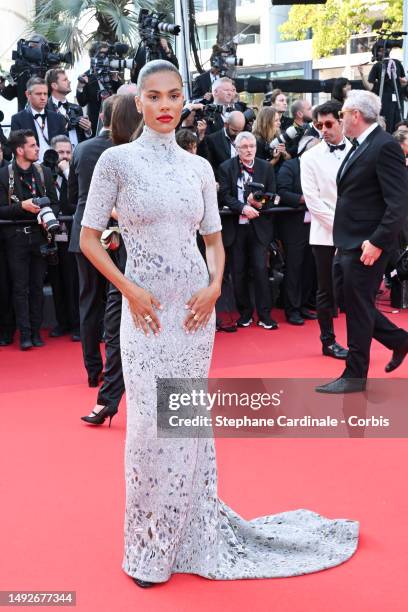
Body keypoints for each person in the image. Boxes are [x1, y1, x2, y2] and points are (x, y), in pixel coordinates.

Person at [80, 59, 358, 586]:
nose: (165, 105)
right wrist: (130, 289)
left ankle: (190, 532)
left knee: (185, 425)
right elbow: (90, 239)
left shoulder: (199, 168)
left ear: (184, 100)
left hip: (193, 312)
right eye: (154, 96)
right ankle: (149, 547)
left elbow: (212, 239)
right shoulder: (115, 163)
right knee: (146, 429)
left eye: (174, 95)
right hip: (143, 313)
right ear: (138, 102)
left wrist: (213, 287)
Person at [316, 90, 408, 394]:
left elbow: (398, 203)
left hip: (367, 244)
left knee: (357, 307)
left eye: (343, 114)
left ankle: (355, 376)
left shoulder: (384, 147)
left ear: (355, 115)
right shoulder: (361, 145)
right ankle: (399, 340)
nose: (341, 118)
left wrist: (378, 242)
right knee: (350, 300)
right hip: (349, 241)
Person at [81, 95, 142, 427]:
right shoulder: (113, 159)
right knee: (114, 328)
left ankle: (172, 406)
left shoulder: (172, 160)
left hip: (167, 265)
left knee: (170, 340)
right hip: (125, 262)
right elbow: (95, 219)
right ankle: (108, 399)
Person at [68, 96, 116, 386]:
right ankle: (114, 369)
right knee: (116, 301)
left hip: (83, 233)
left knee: (88, 303)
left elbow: (73, 196)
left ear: (100, 117)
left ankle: (91, 371)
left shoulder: (82, 149)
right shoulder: (124, 149)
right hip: (115, 235)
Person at [300, 100, 351, 359]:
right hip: (325, 234)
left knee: (356, 290)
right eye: (318, 125)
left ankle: (358, 338)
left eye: (328, 124)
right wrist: (342, 228)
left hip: (357, 234)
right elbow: (313, 201)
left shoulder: (359, 150)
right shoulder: (309, 158)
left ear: (341, 121)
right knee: (326, 291)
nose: (324, 130)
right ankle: (328, 341)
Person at [0, 129, 58, 350]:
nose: (37, 148)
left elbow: (55, 202)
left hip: (40, 236)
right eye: (33, 145)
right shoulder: (4, 174)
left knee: (36, 286)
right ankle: (24, 334)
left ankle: (35, 332)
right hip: (15, 239)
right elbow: (1, 210)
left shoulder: (43, 172)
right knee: (20, 287)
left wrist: (46, 213)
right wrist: (20, 207)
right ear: (19, 150)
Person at [218, 131, 277, 330]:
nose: (249, 150)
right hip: (235, 228)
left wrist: (258, 203)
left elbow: (272, 195)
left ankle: (265, 315)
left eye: (252, 146)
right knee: (239, 272)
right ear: (236, 148)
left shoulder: (266, 167)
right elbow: (225, 196)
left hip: (259, 228)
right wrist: (243, 207)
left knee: (261, 270)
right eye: (244, 147)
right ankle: (244, 314)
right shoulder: (226, 168)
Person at [277, 137, 318, 326]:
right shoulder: (290, 167)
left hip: (314, 224)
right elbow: (282, 192)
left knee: (309, 267)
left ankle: (302, 304)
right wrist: (304, 199)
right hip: (293, 226)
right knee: (294, 267)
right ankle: (291, 308)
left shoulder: (319, 168)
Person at [46, 135, 80, 341]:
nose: (64, 157)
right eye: (60, 153)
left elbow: (77, 200)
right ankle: (62, 323)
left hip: (71, 234)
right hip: (51, 235)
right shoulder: (44, 172)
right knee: (56, 280)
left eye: (68, 152)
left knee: (73, 281)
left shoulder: (75, 174)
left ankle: (77, 325)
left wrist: (68, 172)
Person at [10, 77, 67, 162]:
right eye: (38, 94)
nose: (43, 98)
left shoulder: (58, 118)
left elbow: (64, 146)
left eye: (45, 94)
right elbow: (17, 149)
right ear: (28, 95)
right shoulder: (17, 119)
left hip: (56, 166)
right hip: (30, 167)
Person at [76, 42, 122, 136]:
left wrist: (115, 79)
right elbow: (82, 102)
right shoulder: (87, 76)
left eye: (107, 54)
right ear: (93, 56)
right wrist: (80, 86)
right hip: (95, 122)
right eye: (102, 53)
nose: (105, 56)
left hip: (115, 121)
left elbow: (121, 95)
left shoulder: (112, 73)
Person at [45, 69, 92, 148]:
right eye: (65, 80)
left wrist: (87, 130)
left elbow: (83, 140)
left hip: (76, 157)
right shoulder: (44, 109)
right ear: (54, 85)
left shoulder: (77, 108)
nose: (69, 82)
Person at [204, 110, 245, 179]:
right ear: (226, 125)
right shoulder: (212, 139)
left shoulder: (245, 138)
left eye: (240, 131)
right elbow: (210, 166)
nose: (237, 134)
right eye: (234, 130)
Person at [252, 106, 291, 171]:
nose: (279, 123)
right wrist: (275, 159)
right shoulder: (256, 141)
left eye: (279, 119)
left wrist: (284, 152)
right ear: (266, 123)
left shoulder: (279, 135)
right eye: (276, 120)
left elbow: (289, 159)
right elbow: (260, 169)